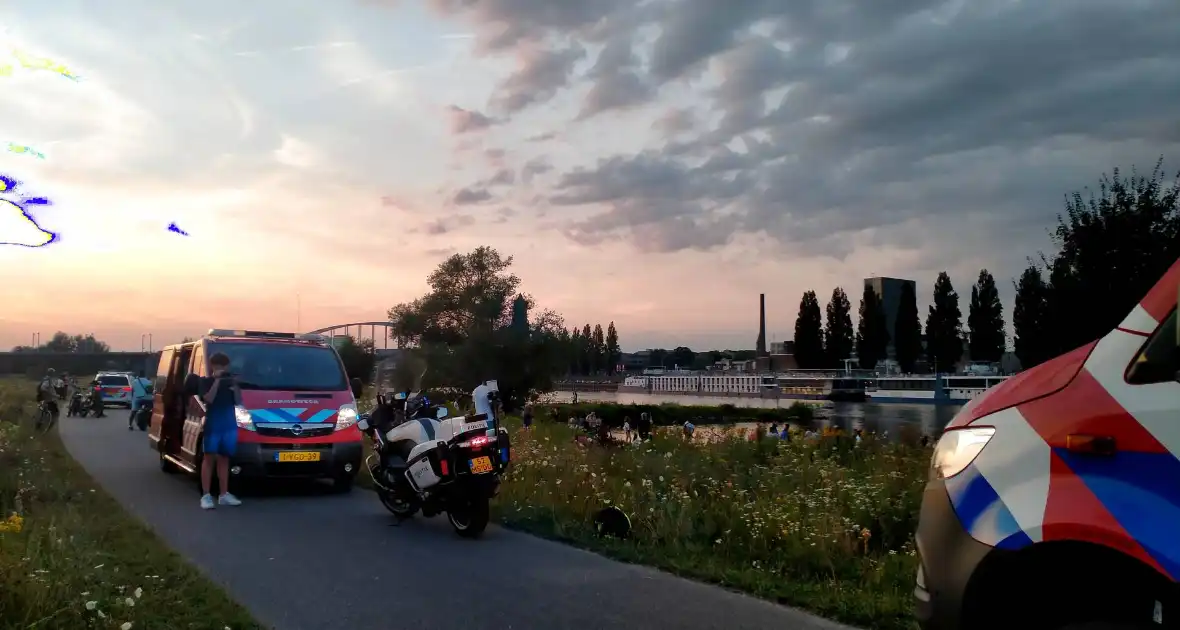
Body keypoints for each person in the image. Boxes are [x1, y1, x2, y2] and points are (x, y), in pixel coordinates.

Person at [197, 353, 243, 510]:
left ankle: (224, 494)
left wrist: (235, 386)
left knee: (224, 458)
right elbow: (208, 399)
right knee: (209, 458)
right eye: (219, 367)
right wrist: (216, 381)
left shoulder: (229, 381)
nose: (222, 370)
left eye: (224, 367)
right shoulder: (206, 381)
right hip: (213, 424)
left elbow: (238, 401)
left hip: (229, 424)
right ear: (212, 367)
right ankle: (206, 495)